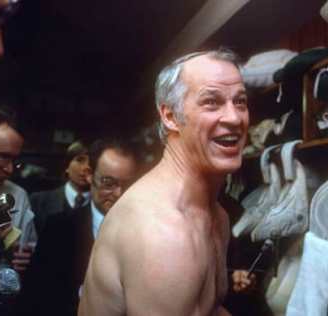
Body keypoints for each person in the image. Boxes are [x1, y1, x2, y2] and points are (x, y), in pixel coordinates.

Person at [79, 48, 249, 316]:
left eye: (240, 102)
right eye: (211, 102)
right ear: (170, 116)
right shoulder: (163, 234)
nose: (234, 118)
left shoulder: (217, 217)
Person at [16, 138, 140, 316]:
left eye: (127, 184)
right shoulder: (59, 228)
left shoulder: (143, 232)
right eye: (108, 182)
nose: (119, 193)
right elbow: (34, 298)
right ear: (90, 175)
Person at [0, 112, 37, 275]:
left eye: (14, 161)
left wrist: (26, 258)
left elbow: (27, 247)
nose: (9, 169)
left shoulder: (18, 195)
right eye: (1, 157)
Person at [31, 140, 91, 235]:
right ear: (67, 166)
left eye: (92, 162)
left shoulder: (103, 208)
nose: (86, 167)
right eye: (80, 160)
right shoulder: (38, 201)